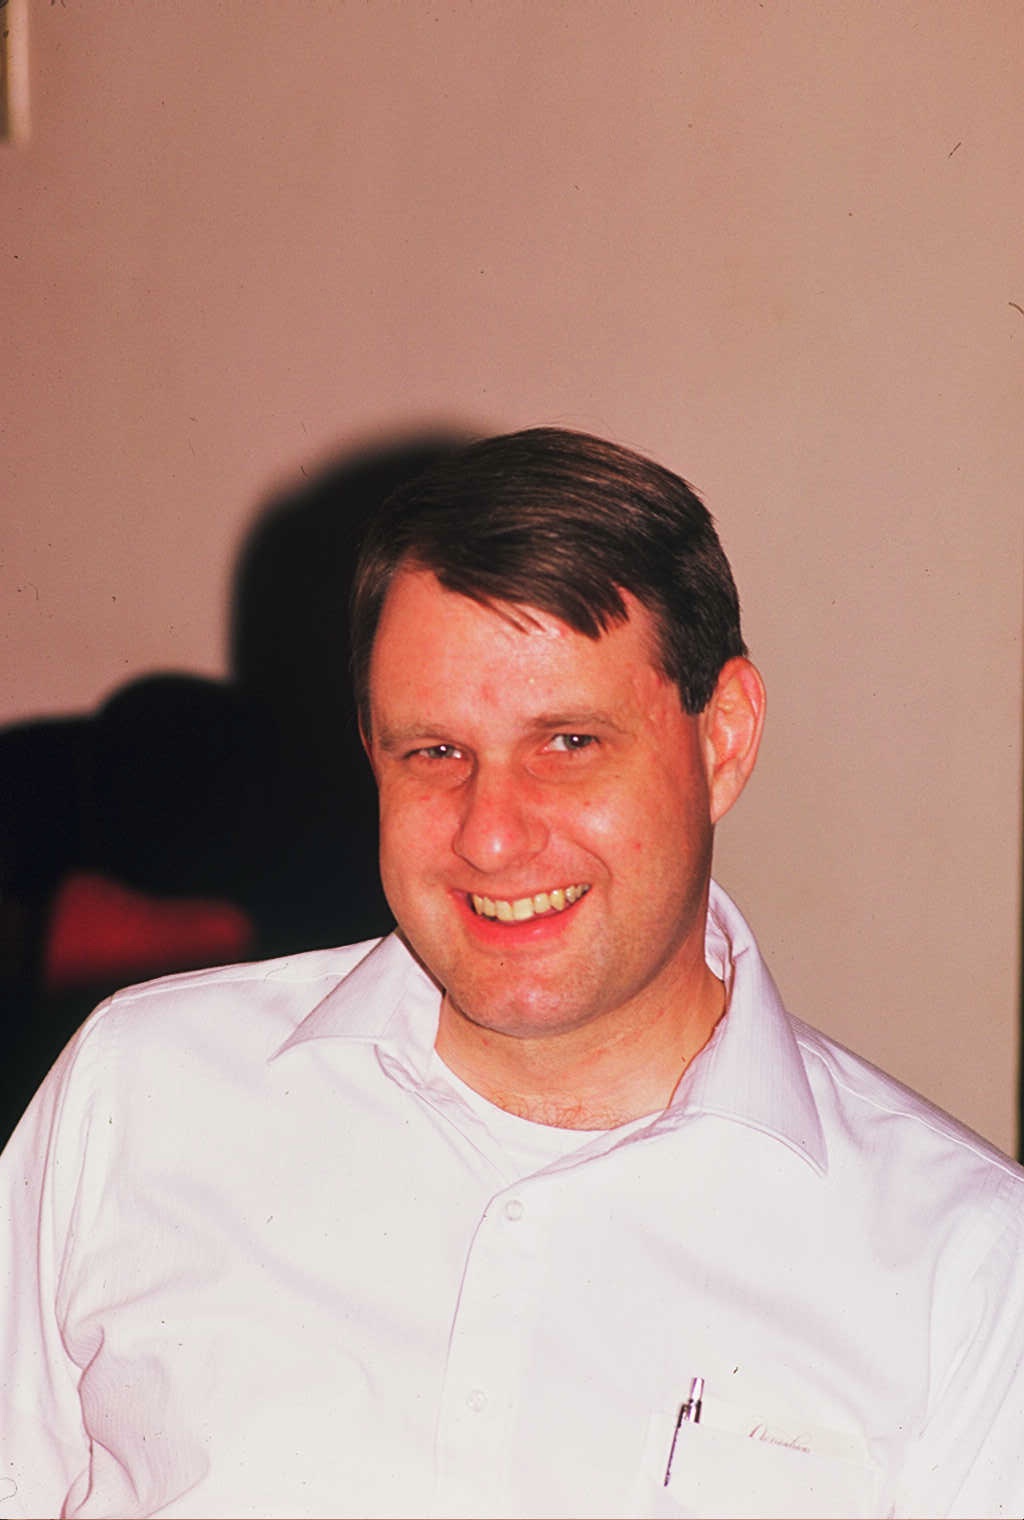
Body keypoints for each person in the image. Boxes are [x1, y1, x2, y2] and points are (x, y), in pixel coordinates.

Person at [1, 428, 1022, 1519]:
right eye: (434, 752)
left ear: (721, 738)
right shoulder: (140, 1093)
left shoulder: (961, 1259)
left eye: (568, 742)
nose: (490, 836)